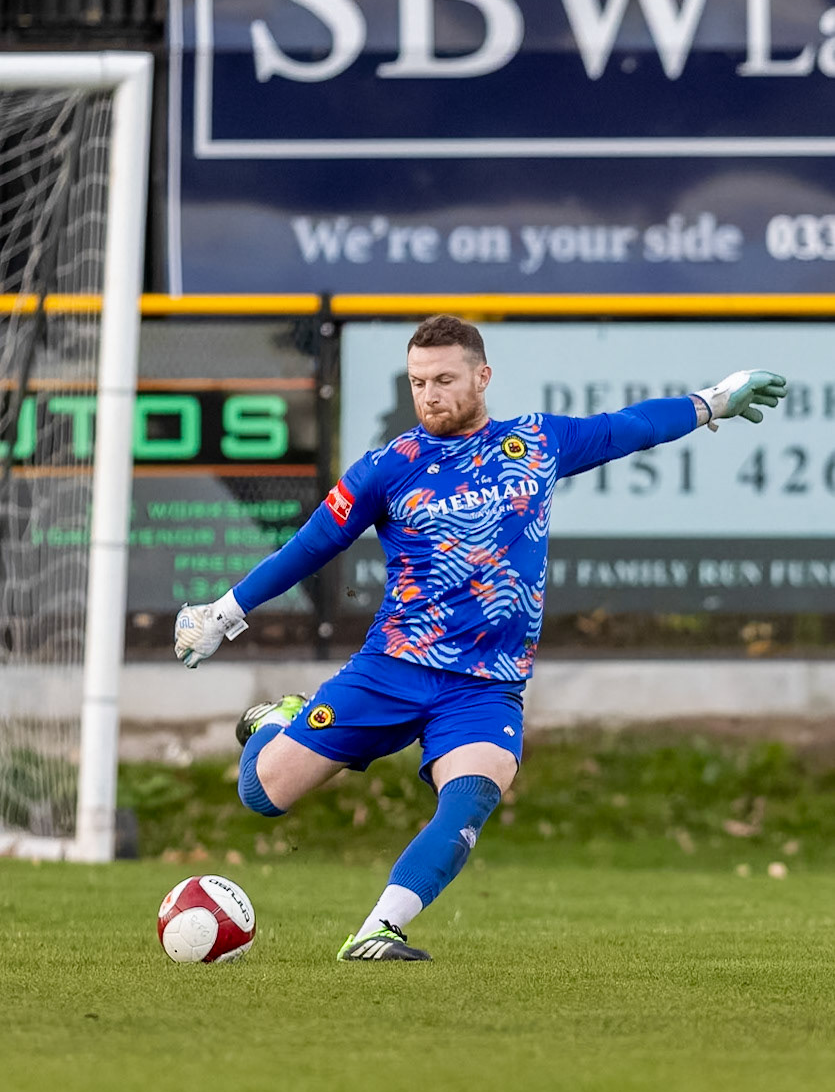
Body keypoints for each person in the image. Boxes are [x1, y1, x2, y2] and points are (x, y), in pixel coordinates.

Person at [174, 315, 787, 962]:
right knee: (263, 795)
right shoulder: (387, 467)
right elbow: (310, 547)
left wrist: (714, 400)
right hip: (391, 669)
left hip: (487, 688)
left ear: (482, 376)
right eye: (417, 382)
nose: (429, 395)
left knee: (473, 792)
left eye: (443, 379)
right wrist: (223, 613)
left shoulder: (537, 442)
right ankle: (279, 721)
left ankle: (378, 930)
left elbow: (627, 427)